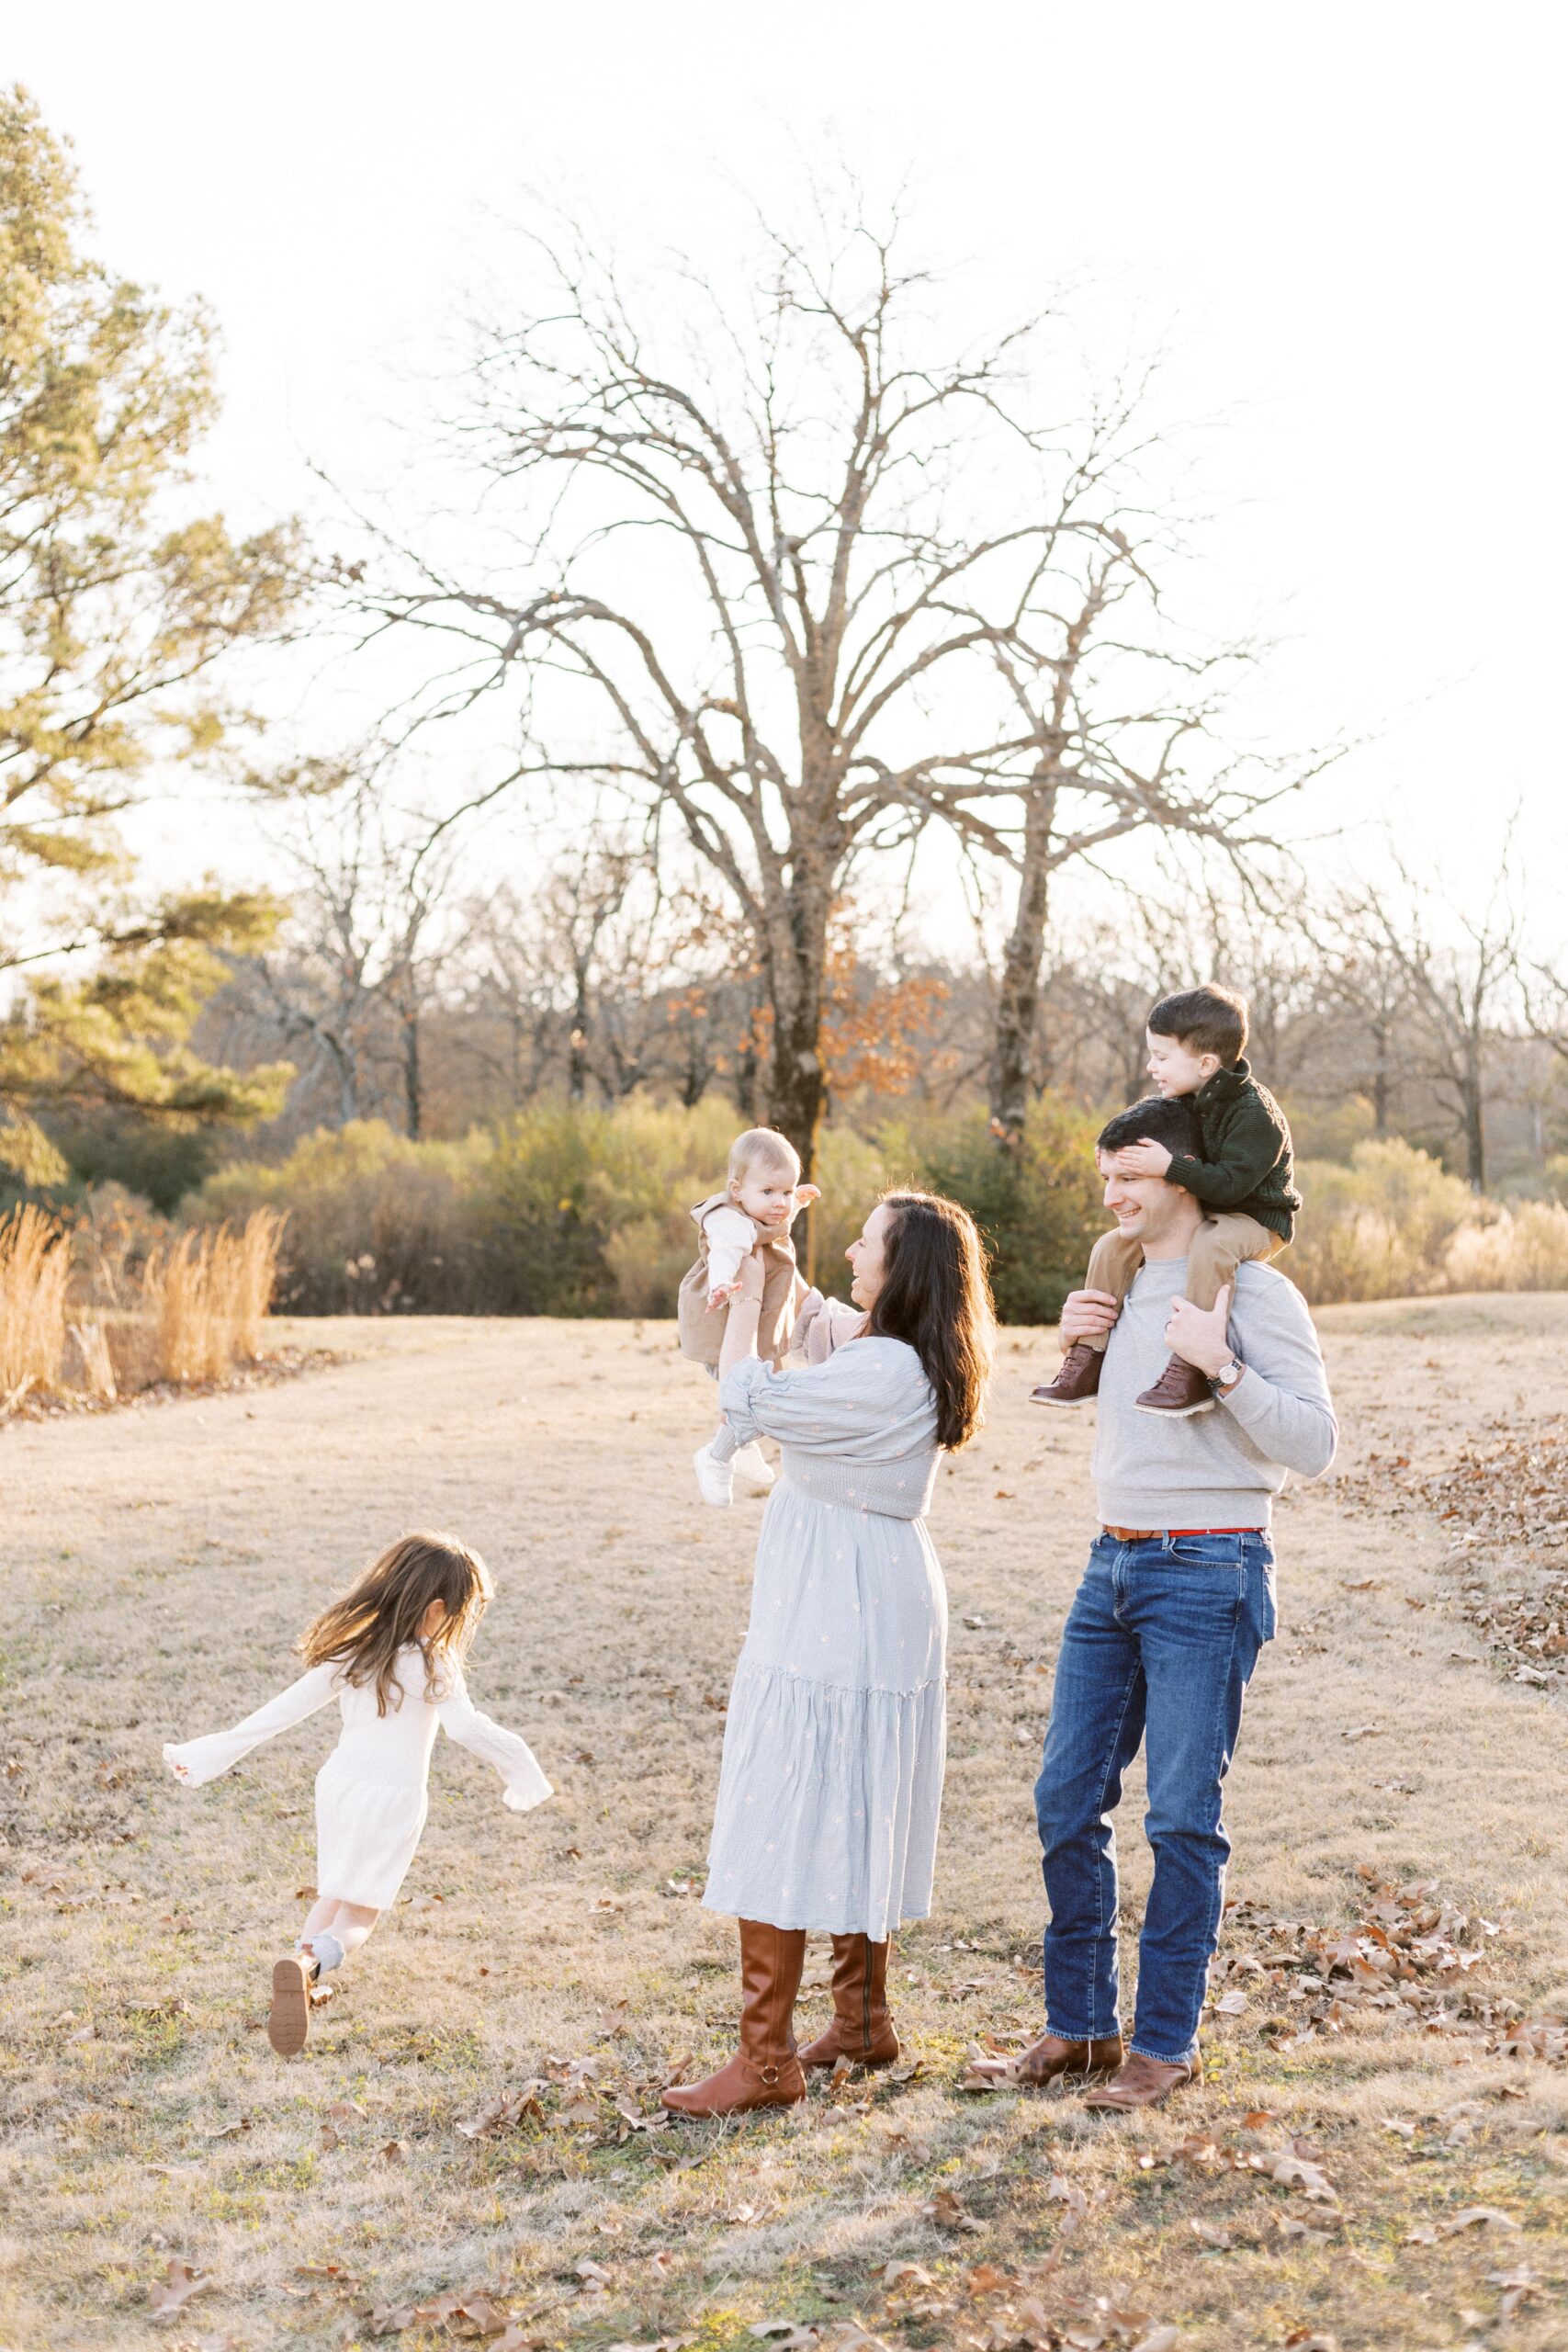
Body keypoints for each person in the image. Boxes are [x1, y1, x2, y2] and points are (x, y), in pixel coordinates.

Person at [997, 1095, 1336, 2112]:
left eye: (1130, 1179)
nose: (1112, 1197)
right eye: (1106, 1179)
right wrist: (1083, 1347)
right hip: (1111, 1563)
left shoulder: (1252, 1290)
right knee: (1066, 1800)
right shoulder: (1123, 1280)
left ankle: (1164, 2043)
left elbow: (1316, 1445)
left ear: (1184, 1180)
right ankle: (1084, 2025)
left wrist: (1222, 1362)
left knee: (1182, 1817)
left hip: (1212, 1566)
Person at [663, 1191, 994, 2119]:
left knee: (786, 1791)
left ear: (904, 1268)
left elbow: (744, 1390)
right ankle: (860, 2019)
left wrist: (745, 1303)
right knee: (854, 1792)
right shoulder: (904, 1352)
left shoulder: (886, 1369)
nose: (850, 1247)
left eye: (868, 1240)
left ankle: (767, 2056)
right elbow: (816, 1315)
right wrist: (767, 1256)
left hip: (840, 1596)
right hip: (869, 1583)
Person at [164, 1532, 551, 2055]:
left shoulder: (356, 1650)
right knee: (360, 1915)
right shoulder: (435, 1663)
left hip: (339, 1787)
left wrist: (211, 1752)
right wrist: (522, 1767)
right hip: (392, 1798)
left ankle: (296, 1980)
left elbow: (281, 1712)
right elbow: (467, 1728)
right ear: (437, 1610)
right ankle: (309, 1963)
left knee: (334, 1890)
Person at [1032, 984, 1301, 1417]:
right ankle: (1088, 1356)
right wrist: (1112, 1151)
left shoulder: (1256, 1117)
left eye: (1161, 1057)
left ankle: (1191, 1366)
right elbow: (1154, 1135)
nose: (1150, 1066)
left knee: (1213, 1244)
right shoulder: (1190, 1096)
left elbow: (1231, 1185)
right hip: (1209, 1204)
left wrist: (1168, 1166)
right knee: (1110, 1245)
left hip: (1255, 1215)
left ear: (1206, 1063)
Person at [680, 1125, 819, 1507]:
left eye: (787, 1192)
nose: (781, 1202)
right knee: (748, 1391)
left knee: (764, 1387)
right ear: (737, 1190)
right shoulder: (730, 1222)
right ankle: (716, 1457)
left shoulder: (755, 1210)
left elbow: (771, 1219)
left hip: (756, 1322)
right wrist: (722, 1282)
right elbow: (727, 1251)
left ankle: (741, 1445)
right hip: (725, 1322)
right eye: (770, 1192)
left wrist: (798, 1203)